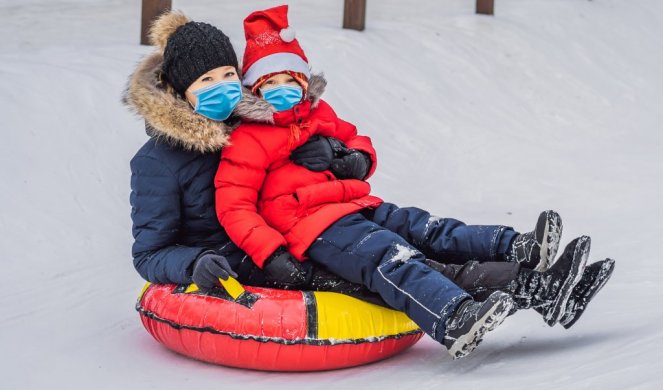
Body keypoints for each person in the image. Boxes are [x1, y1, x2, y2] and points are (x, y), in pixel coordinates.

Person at [213, 5, 603, 359]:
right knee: (392, 257)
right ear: (255, 89)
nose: (282, 90)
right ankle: (453, 316)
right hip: (312, 227)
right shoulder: (249, 138)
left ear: (303, 80)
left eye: (289, 79)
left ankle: (521, 250)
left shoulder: (320, 115)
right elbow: (234, 206)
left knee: (430, 229)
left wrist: (348, 159)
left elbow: (358, 142)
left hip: (357, 205)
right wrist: (270, 253)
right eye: (270, 83)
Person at [123, 11, 382, 302]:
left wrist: (336, 153)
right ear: (182, 91)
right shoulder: (157, 162)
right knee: (351, 290)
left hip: (292, 237)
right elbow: (149, 253)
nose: (221, 87)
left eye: (228, 75)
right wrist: (195, 262)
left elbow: (316, 149)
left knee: (375, 261)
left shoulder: (256, 125)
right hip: (236, 265)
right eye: (206, 80)